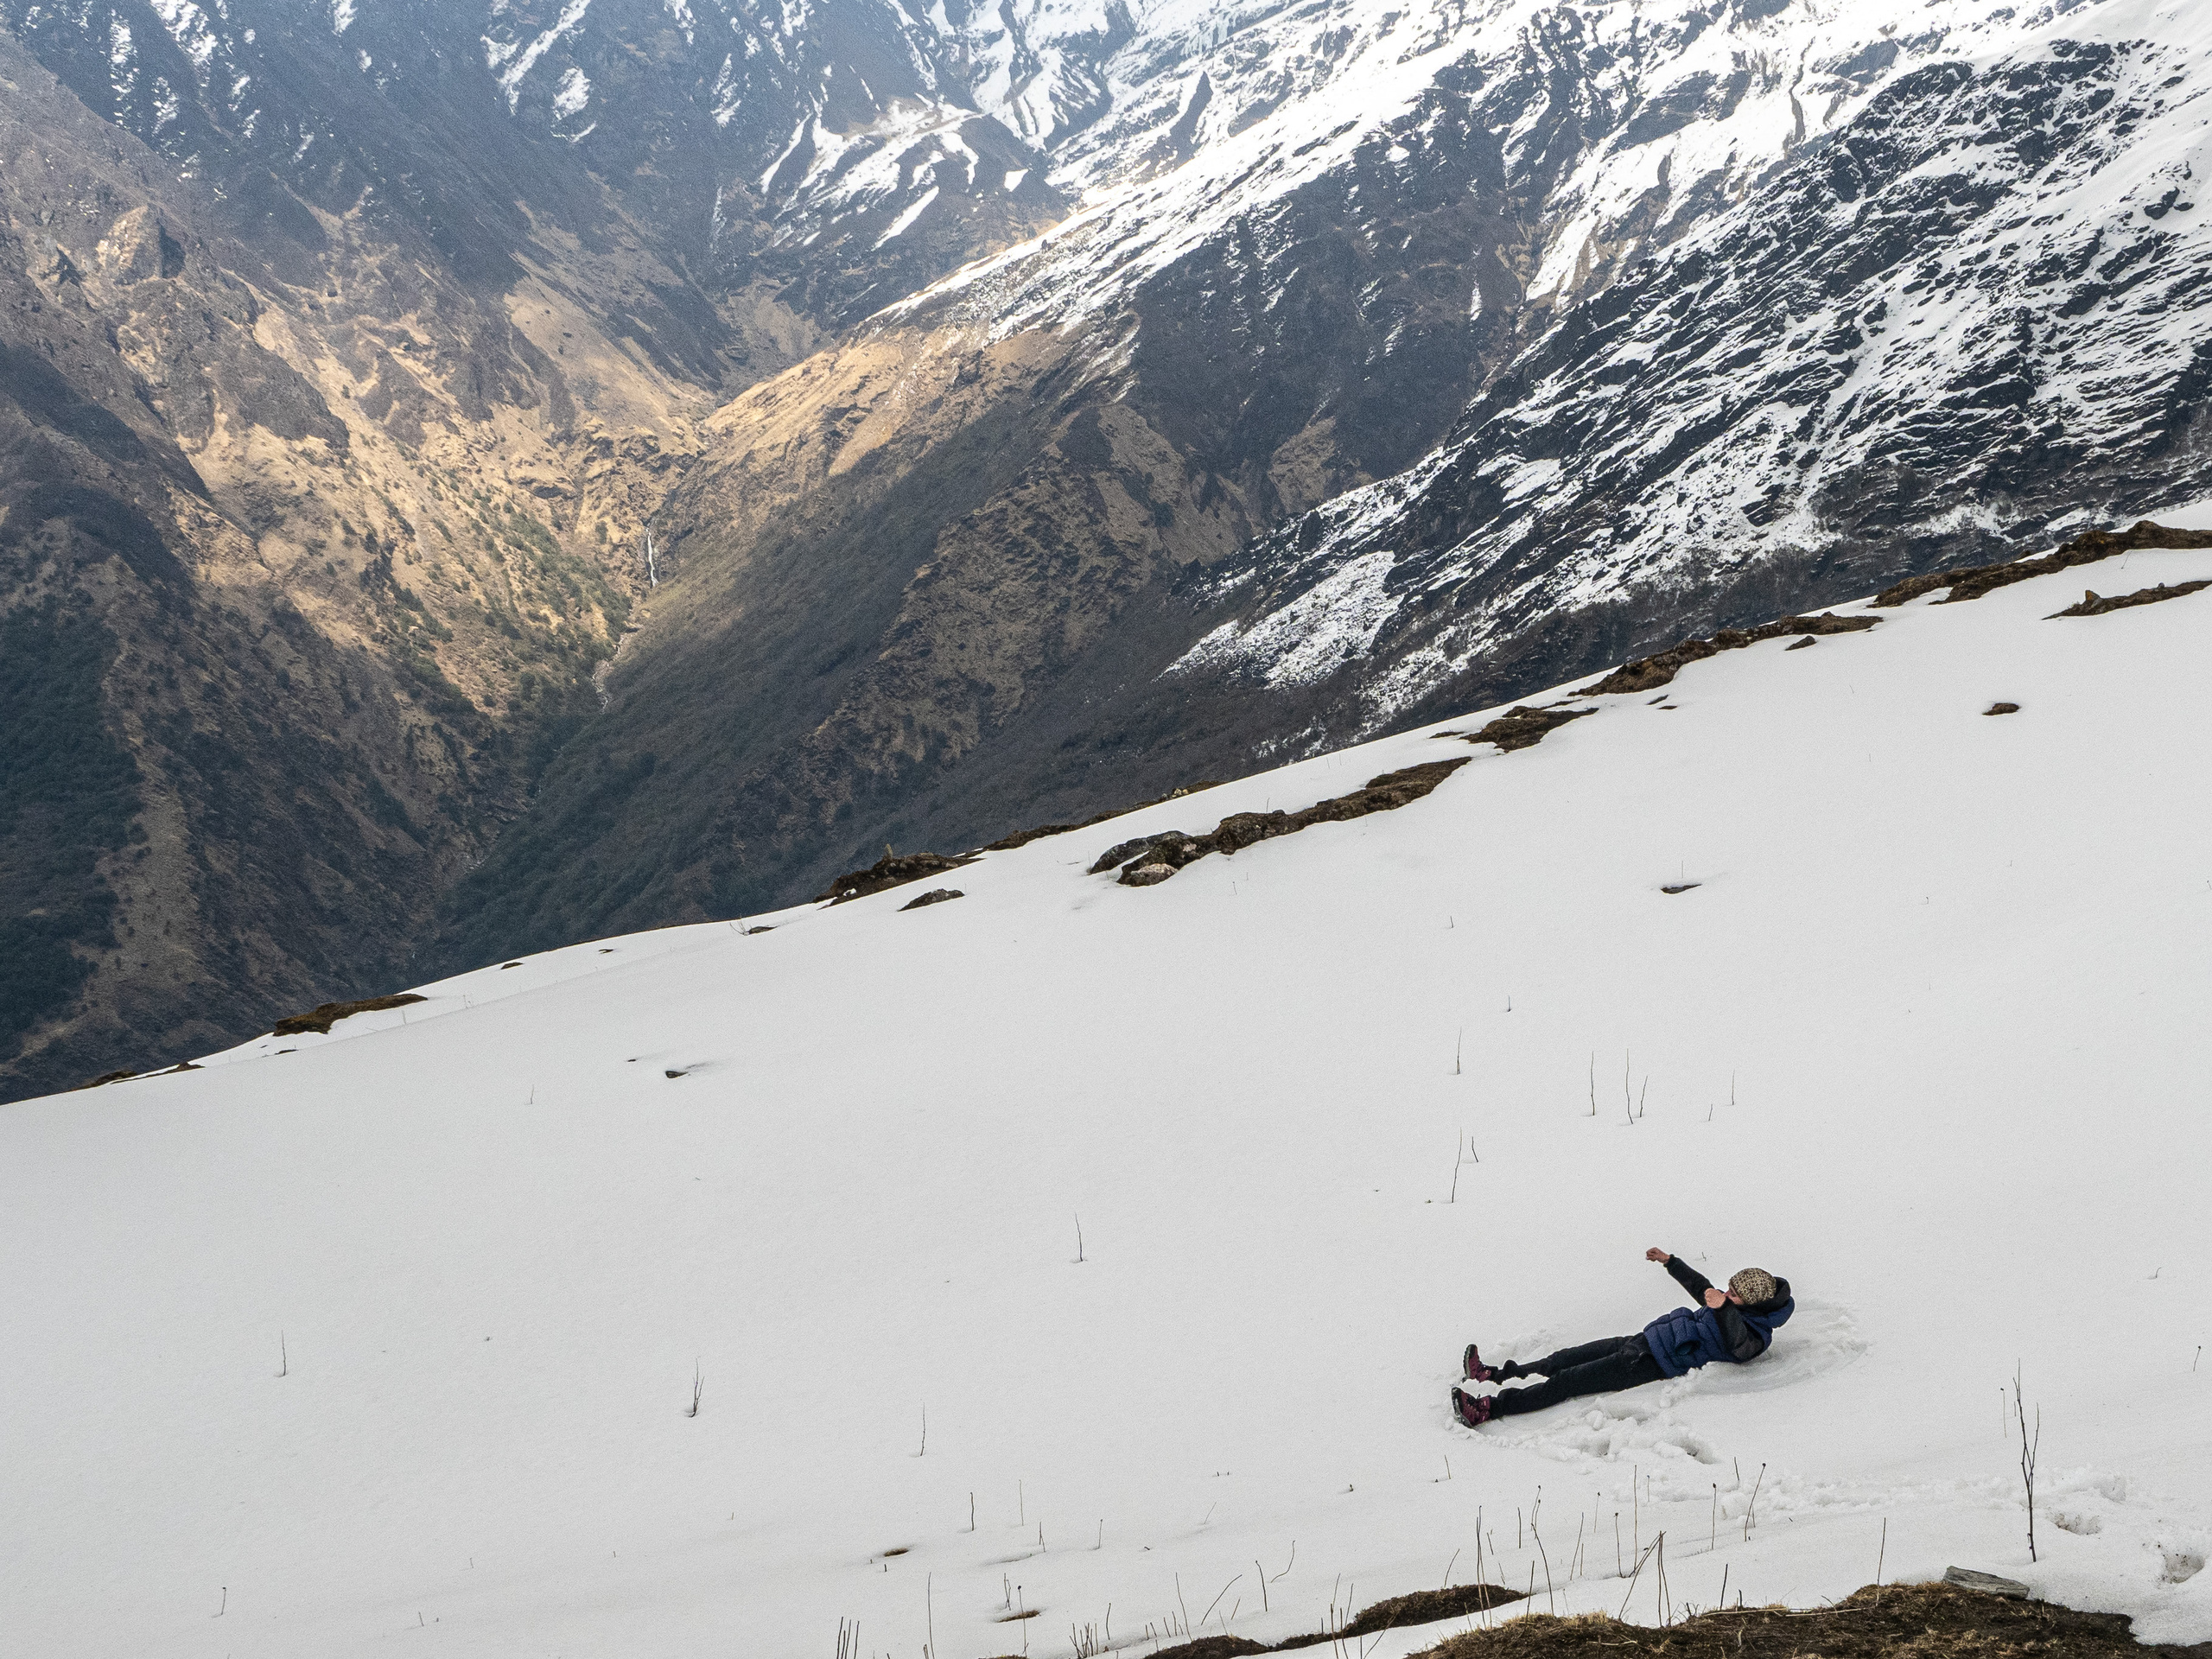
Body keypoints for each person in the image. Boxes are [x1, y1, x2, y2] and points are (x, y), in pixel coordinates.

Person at [1452, 1248, 1793, 1427]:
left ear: (1752, 1304)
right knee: (1564, 1358)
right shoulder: (1730, 1303)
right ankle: (1493, 1375)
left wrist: (1723, 1308)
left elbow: (1738, 1345)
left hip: (1648, 1363)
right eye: (1730, 1287)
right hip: (1642, 1340)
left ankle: (1488, 1409)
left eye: (1735, 1293)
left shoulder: (1754, 1335)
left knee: (1568, 1381)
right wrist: (1670, 1262)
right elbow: (1700, 1286)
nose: (1726, 1292)